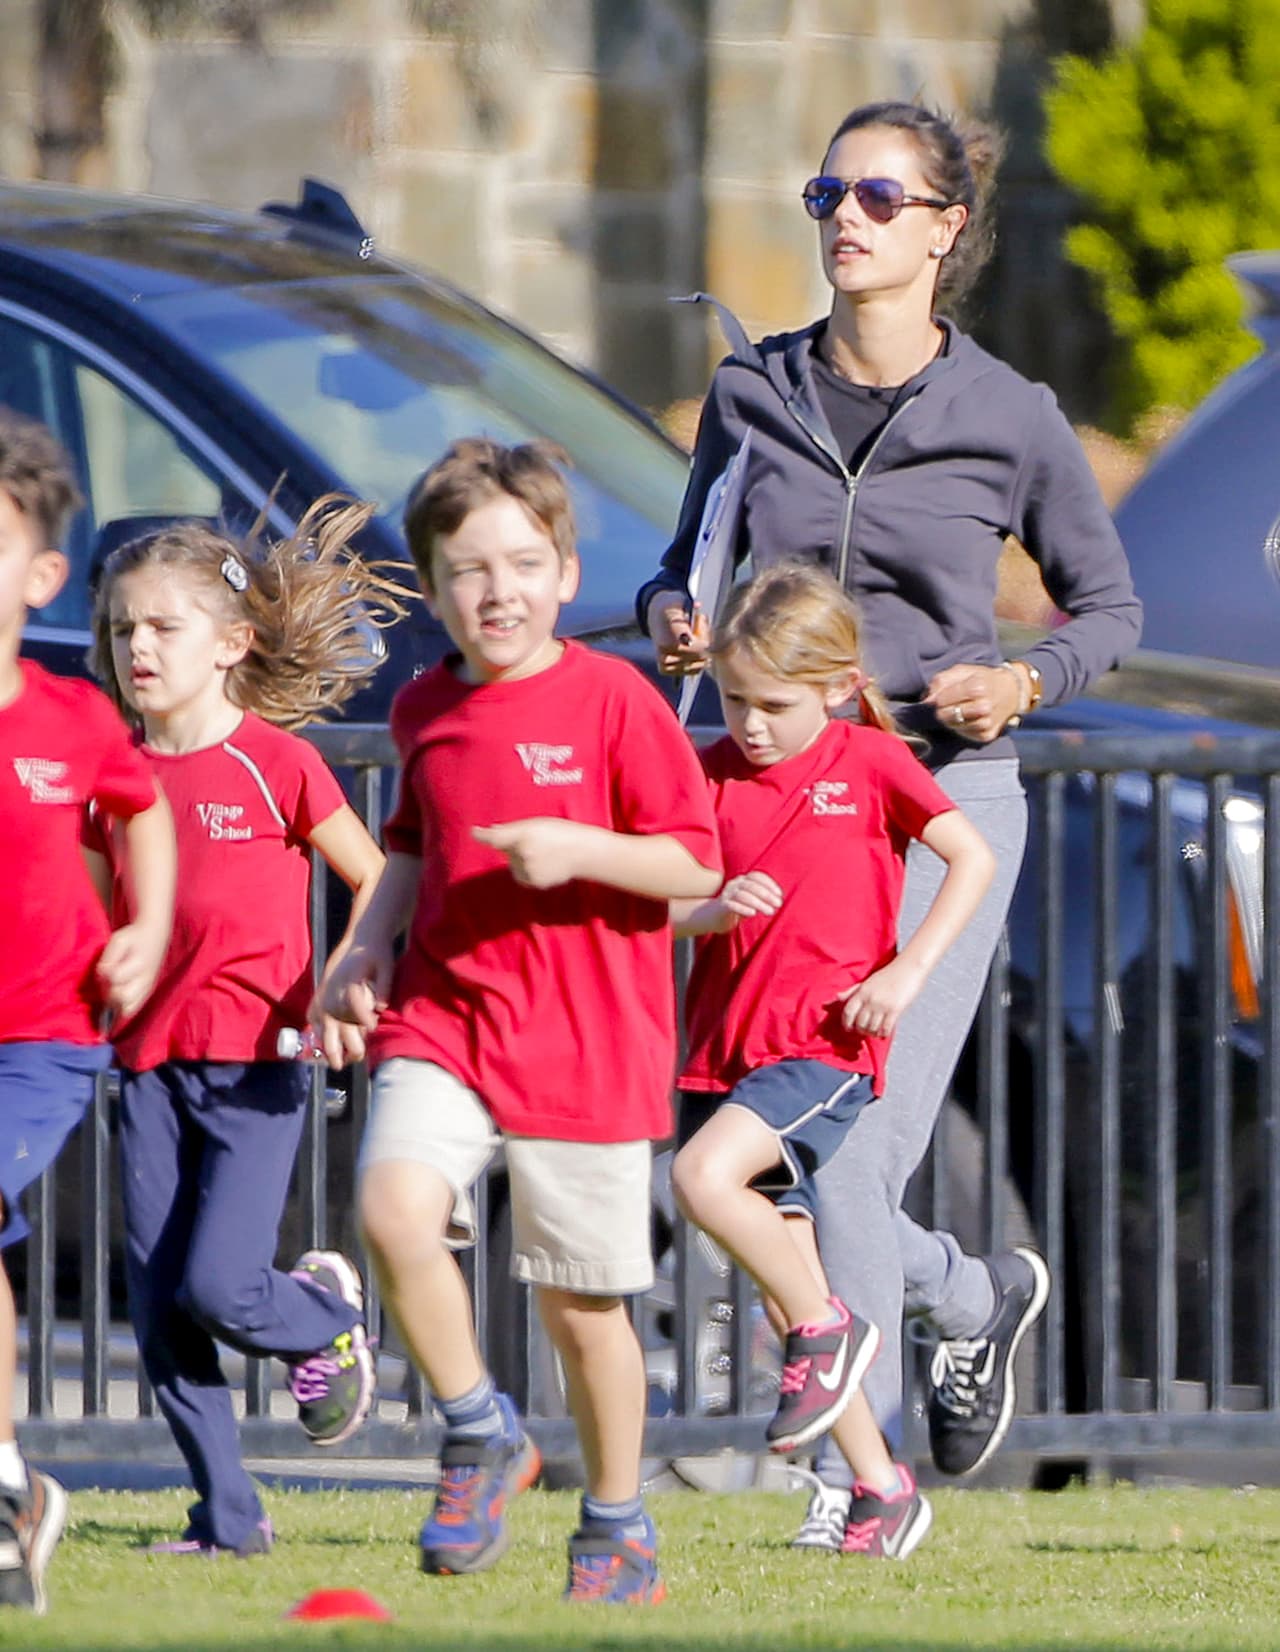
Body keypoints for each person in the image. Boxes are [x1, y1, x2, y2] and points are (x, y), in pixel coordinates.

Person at [637, 100, 1142, 1533]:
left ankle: (846, 1489)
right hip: (785, 815)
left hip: (933, 807)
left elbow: (1109, 609)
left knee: (850, 1150)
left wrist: (1022, 678)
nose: (843, 218)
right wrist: (676, 618)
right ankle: (967, 1296)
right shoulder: (753, 395)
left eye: (875, 195)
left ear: (943, 228)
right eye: (825, 192)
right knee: (788, 1151)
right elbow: (683, 570)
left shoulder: (1009, 416)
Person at [317, 438, 721, 1604]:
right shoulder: (425, 705)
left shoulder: (615, 701)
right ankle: (476, 1427)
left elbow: (693, 866)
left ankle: (614, 1517)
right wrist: (360, 948)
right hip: (445, 1014)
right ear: (433, 586)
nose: (496, 590)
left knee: (580, 1307)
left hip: (588, 1038)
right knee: (391, 1207)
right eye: (466, 569)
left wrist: (581, 849)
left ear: (566, 569)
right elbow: (407, 845)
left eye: (522, 562)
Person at [87, 498, 410, 1557]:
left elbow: (373, 880)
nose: (138, 646)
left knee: (220, 1282)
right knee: (161, 1298)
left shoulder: (276, 762)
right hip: (145, 1064)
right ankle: (226, 1518)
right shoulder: (110, 772)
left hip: (259, 1063)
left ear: (229, 645)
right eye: (123, 628)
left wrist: (342, 986)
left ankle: (321, 1315)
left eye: (163, 628)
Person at [671, 563, 993, 1559]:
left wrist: (903, 972)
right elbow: (658, 904)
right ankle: (880, 1488)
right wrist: (707, 911)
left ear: (838, 684)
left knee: (697, 1179)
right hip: (720, 1055)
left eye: (773, 703)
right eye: (733, 699)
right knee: (783, 1282)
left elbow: (969, 857)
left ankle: (827, 1324)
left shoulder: (864, 761)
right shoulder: (707, 771)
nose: (751, 723)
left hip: (821, 1050)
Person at [0, 411, 175, 1611]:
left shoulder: (71, 719)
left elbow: (141, 812)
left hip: (43, 1037)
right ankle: (15, 1490)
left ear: (42, 576)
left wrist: (147, 927)